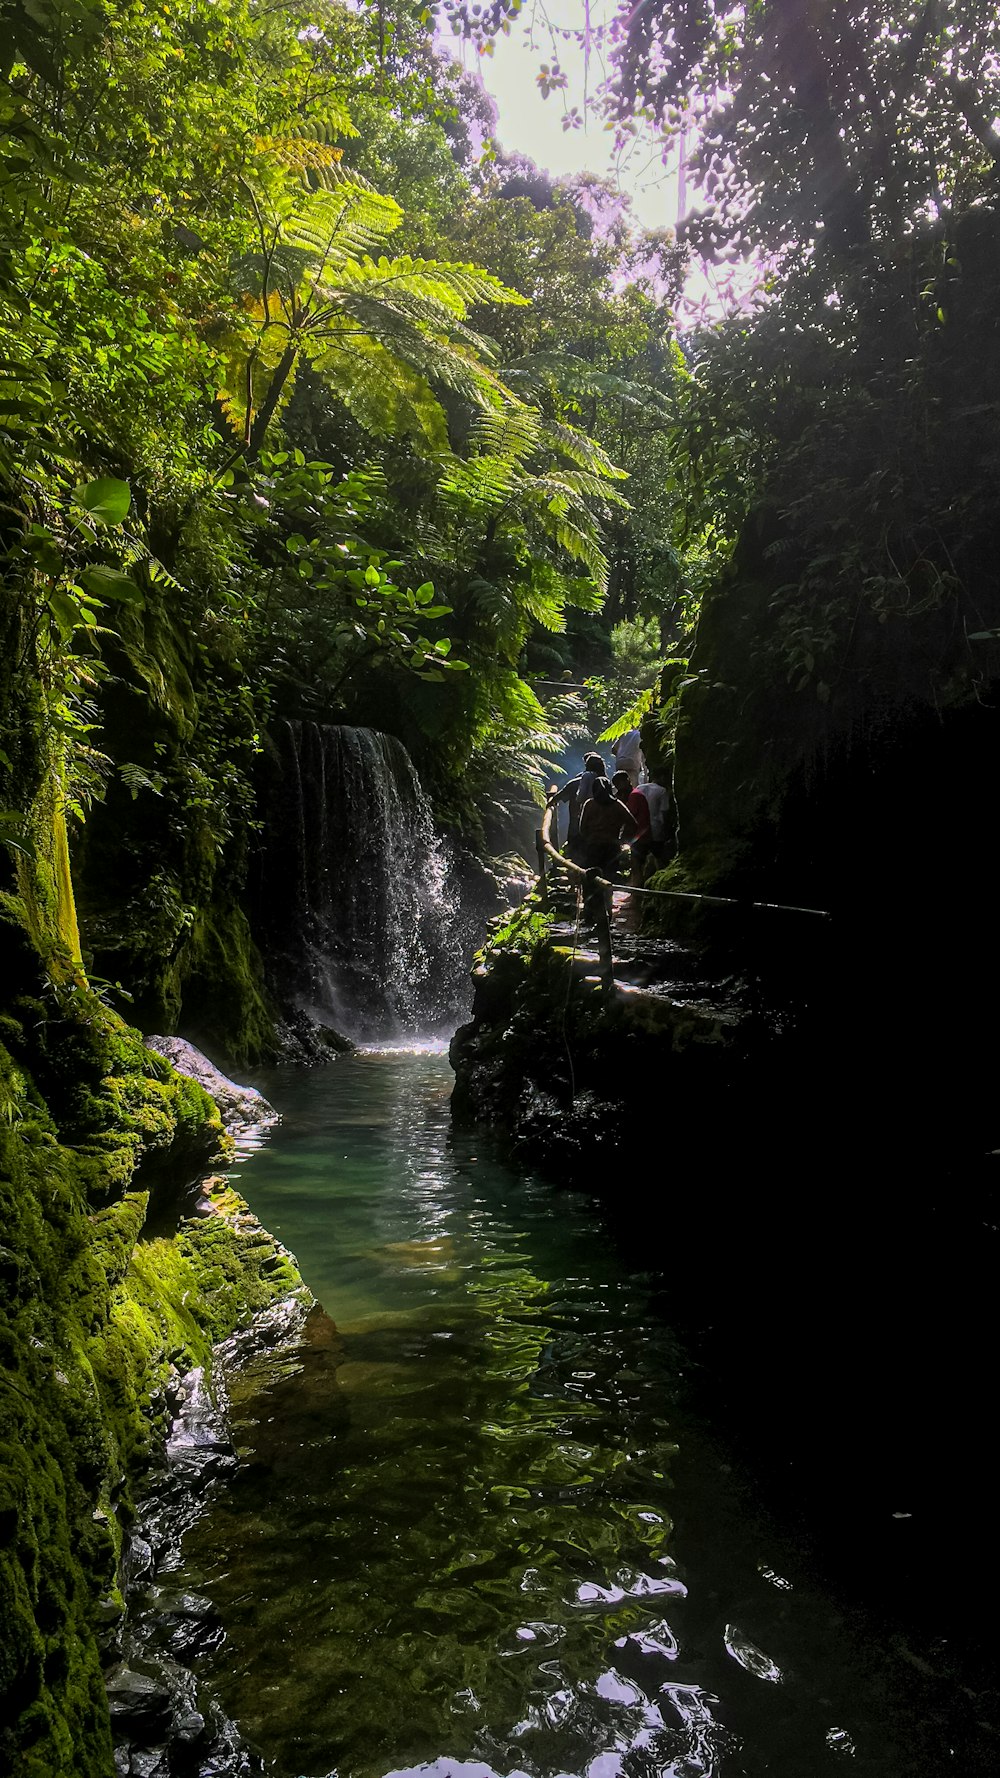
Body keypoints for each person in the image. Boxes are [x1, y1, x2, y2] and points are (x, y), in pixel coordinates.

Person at [548, 751, 607, 862]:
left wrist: (551, 801)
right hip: (602, 828)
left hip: (578, 824)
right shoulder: (606, 784)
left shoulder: (576, 782)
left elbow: (559, 796)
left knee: (576, 852)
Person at [577, 775, 638, 875]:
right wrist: (623, 839)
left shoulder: (589, 804)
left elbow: (582, 827)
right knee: (610, 876)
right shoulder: (617, 805)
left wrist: (589, 839)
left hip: (593, 846)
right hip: (612, 846)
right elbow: (632, 824)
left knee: (593, 876)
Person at [612, 770, 651, 885]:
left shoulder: (634, 796)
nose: (618, 787)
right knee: (637, 865)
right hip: (640, 834)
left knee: (636, 865)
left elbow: (629, 816)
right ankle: (635, 891)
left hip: (640, 835)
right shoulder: (634, 794)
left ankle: (636, 894)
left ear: (627, 781)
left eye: (619, 784)